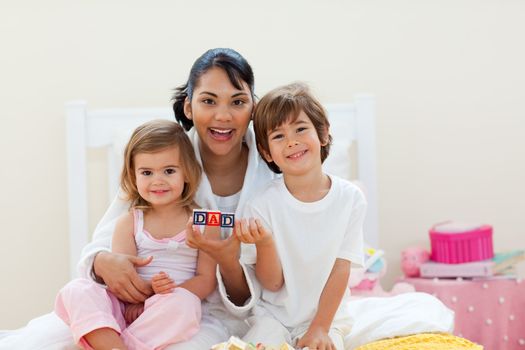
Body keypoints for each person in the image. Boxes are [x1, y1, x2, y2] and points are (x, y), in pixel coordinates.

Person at [0, 48, 276, 350]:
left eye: (238, 101)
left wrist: (225, 261)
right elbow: (103, 246)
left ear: (253, 107)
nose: (223, 115)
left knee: (183, 316)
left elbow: (265, 289)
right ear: (188, 106)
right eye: (208, 100)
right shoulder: (158, 161)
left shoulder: (274, 177)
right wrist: (105, 262)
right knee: (61, 316)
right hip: (127, 309)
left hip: (199, 312)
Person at [55, 119, 214, 349]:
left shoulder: (204, 221)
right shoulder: (129, 222)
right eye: (147, 172)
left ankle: (115, 344)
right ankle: (112, 341)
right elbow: (124, 277)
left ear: (187, 173)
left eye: (169, 171)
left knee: (186, 305)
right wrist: (140, 296)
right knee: (77, 289)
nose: (157, 180)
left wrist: (160, 295)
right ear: (134, 176)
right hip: (129, 307)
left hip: (169, 306)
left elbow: (206, 280)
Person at [234, 82, 366, 350]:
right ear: (266, 152)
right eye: (278, 136)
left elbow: (341, 269)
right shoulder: (260, 205)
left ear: (324, 133)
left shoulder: (350, 199)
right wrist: (265, 242)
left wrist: (320, 328)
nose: (292, 141)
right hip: (272, 317)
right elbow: (271, 283)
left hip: (326, 319)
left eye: (300, 129)